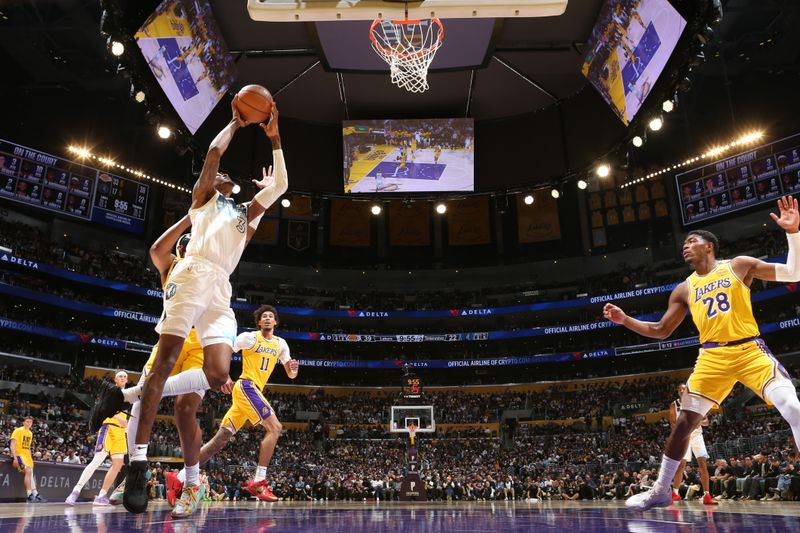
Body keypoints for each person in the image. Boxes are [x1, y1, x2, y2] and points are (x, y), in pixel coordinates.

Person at [94, 98, 288, 516]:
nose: (222, 176)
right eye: (217, 177)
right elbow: (214, 154)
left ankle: (125, 395)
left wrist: (274, 138)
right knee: (162, 367)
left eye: (225, 178)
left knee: (220, 374)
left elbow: (280, 187)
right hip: (192, 276)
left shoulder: (245, 218)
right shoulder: (201, 202)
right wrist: (236, 124)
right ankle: (139, 466)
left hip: (220, 287)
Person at [603, 195, 800, 511]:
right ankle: (661, 490)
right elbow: (660, 330)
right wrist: (625, 320)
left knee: (792, 406)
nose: (685, 246)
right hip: (712, 358)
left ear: (709, 246)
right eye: (685, 243)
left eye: (692, 241)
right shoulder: (683, 289)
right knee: (683, 424)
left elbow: (793, 273)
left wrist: (793, 233)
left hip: (749, 349)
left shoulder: (738, 265)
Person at [171, 305, 298, 503]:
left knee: (219, 441)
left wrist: (292, 370)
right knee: (275, 428)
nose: (266, 319)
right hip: (246, 387)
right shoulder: (249, 337)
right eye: (263, 316)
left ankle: (178, 477)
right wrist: (226, 375)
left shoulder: (281, 344)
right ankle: (259, 480)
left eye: (270, 317)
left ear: (275, 322)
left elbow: (291, 374)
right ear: (258, 322)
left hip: (250, 394)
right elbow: (226, 350)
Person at [67, 371, 130, 506]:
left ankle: (102, 495)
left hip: (121, 433)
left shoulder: (128, 395)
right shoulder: (111, 392)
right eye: (120, 376)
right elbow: (103, 410)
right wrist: (119, 418)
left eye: (125, 376)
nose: (123, 378)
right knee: (97, 460)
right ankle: (75, 491)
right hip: (109, 428)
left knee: (118, 464)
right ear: (115, 379)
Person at [669, 383, 717, 505]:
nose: (682, 391)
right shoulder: (674, 405)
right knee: (681, 465)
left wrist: (700, 421)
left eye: (684, 389)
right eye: (680, 390)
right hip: (684, 437)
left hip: (696, 436)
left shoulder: (696, 403)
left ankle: (707, 495)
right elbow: (673, 423)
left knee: (703, 464)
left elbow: (706, 421)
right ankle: (675, 493)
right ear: (678, 392)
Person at [10, 416, 45, 502]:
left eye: (30, 422)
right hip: (19, 456)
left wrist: (30, 457)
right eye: (27, 421)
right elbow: (12, 445)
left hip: (27, 457)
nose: (29, 423)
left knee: (30, 473)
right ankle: (29, 495)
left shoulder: (30, 433)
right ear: (24, 422)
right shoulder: (18, 430)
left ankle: (35, 494)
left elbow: (28, 447)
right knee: (29, 471)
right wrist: (15, 458)